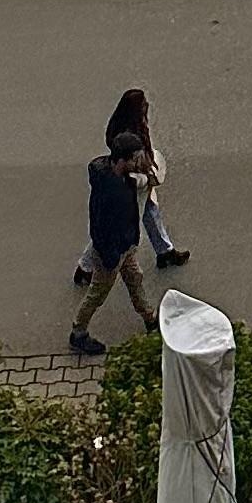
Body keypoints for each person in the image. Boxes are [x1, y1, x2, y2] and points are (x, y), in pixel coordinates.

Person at [75, 86, 187, 277]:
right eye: (143, 104)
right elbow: (134, 161)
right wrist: (149, 172)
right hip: (134, 184)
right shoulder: (132, 134)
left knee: (151, 213)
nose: (147, 106)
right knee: (115, 225)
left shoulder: (119, 127)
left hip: (137, 182)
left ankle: (164, 251)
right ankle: (85, 267)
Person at [69, 130, 161, 354]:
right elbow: (102, 228)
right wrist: (111, 257)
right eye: (135, 159)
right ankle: (78, 333)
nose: (139, 162)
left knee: (135, 279)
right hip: (112, 254)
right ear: (123, 160)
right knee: (96, 295)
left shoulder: (113, 174)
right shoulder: (113, 192)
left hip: (124, 248)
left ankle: (150, 318)